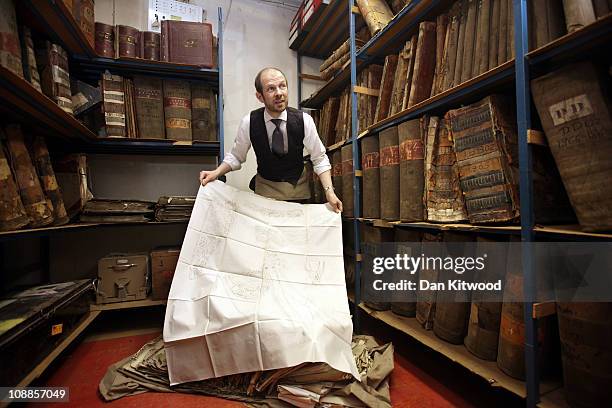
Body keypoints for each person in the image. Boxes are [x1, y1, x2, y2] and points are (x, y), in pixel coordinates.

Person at [199, 67, 343, 212]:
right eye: (271, 89)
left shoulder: (304, 120)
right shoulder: (249, 122)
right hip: (265, 192)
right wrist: (216, 173)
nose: (279, 93)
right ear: (259, 96)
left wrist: (329, 192)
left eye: (282, 86)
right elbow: (236, 157)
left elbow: (319, 158)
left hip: (297, 191)